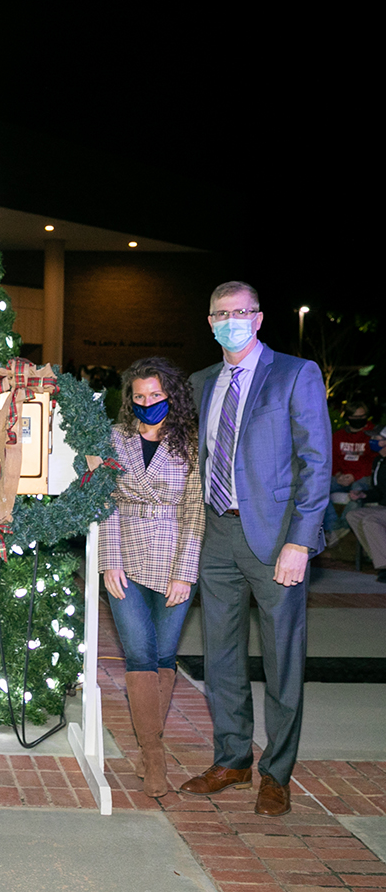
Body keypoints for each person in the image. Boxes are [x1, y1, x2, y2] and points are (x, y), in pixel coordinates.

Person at [179, 281, 331, 817]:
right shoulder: (200, 383)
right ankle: (233, 759)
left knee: (283, 658)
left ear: (259, 318)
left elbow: (316, 464)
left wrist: (300, 542)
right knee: (220, 655)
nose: (231, 320)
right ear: (210, 321)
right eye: (221, 313)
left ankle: (277, 773)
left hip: (275, 539)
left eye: (241, 311)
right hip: (216, 534)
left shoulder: (295, 374)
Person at [99, 357, 205, 797]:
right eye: (139, 397)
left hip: (174, 561)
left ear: (172, 397)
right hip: (126, 558)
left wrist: (185, 574)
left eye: (155, 396)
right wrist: (109, 560)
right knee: (140, 654)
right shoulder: (114, 439)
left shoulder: (193, 443)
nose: (147, 404)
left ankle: (147, 749)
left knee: (163, 657)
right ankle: (156, 755)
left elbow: (195, 512)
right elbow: (104, 502)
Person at [323, 401, 375, 547]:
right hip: (341, 477)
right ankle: (334, 527)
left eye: (362, 416)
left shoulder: (372, 434)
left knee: (357, 491)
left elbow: (372, 461)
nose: (359, 420)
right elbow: (332, 459)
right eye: (355, 417)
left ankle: (342, 527)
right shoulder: (338, 436)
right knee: (319, 489)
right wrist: (338, 475)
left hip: (362, 477)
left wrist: (354, 476)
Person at [347, 425, 386, 583]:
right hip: (383, 506)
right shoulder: (379, 461)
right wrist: (364, 495)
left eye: (376, 438)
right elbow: (379, 491)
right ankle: (379, 559)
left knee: (371, 520)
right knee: (353, 516)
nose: (372, 441)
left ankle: (384, 565)